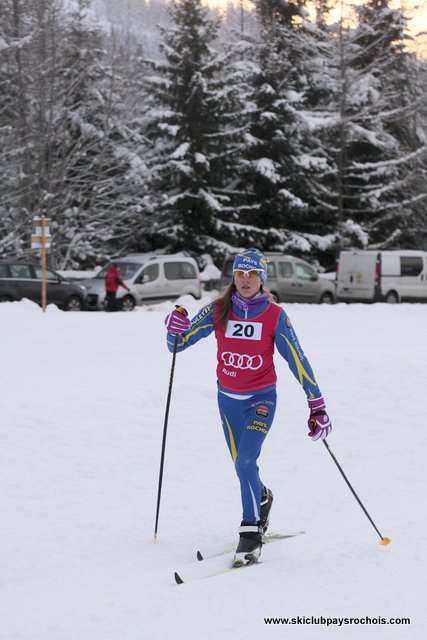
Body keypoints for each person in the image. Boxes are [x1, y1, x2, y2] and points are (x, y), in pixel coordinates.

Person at [164, 248, 332, 567]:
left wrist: (317, 404)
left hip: (261, 400)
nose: (245, 280)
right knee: (244, 468)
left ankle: (250, 531)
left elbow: (298, 360)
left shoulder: (274, 315)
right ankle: (263, 497)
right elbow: (178, 344)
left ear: (262, 279)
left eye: (252, 274)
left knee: (245, 462)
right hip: (227, 401)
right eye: (240, 273)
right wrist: (173, 327)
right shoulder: (218, 310)